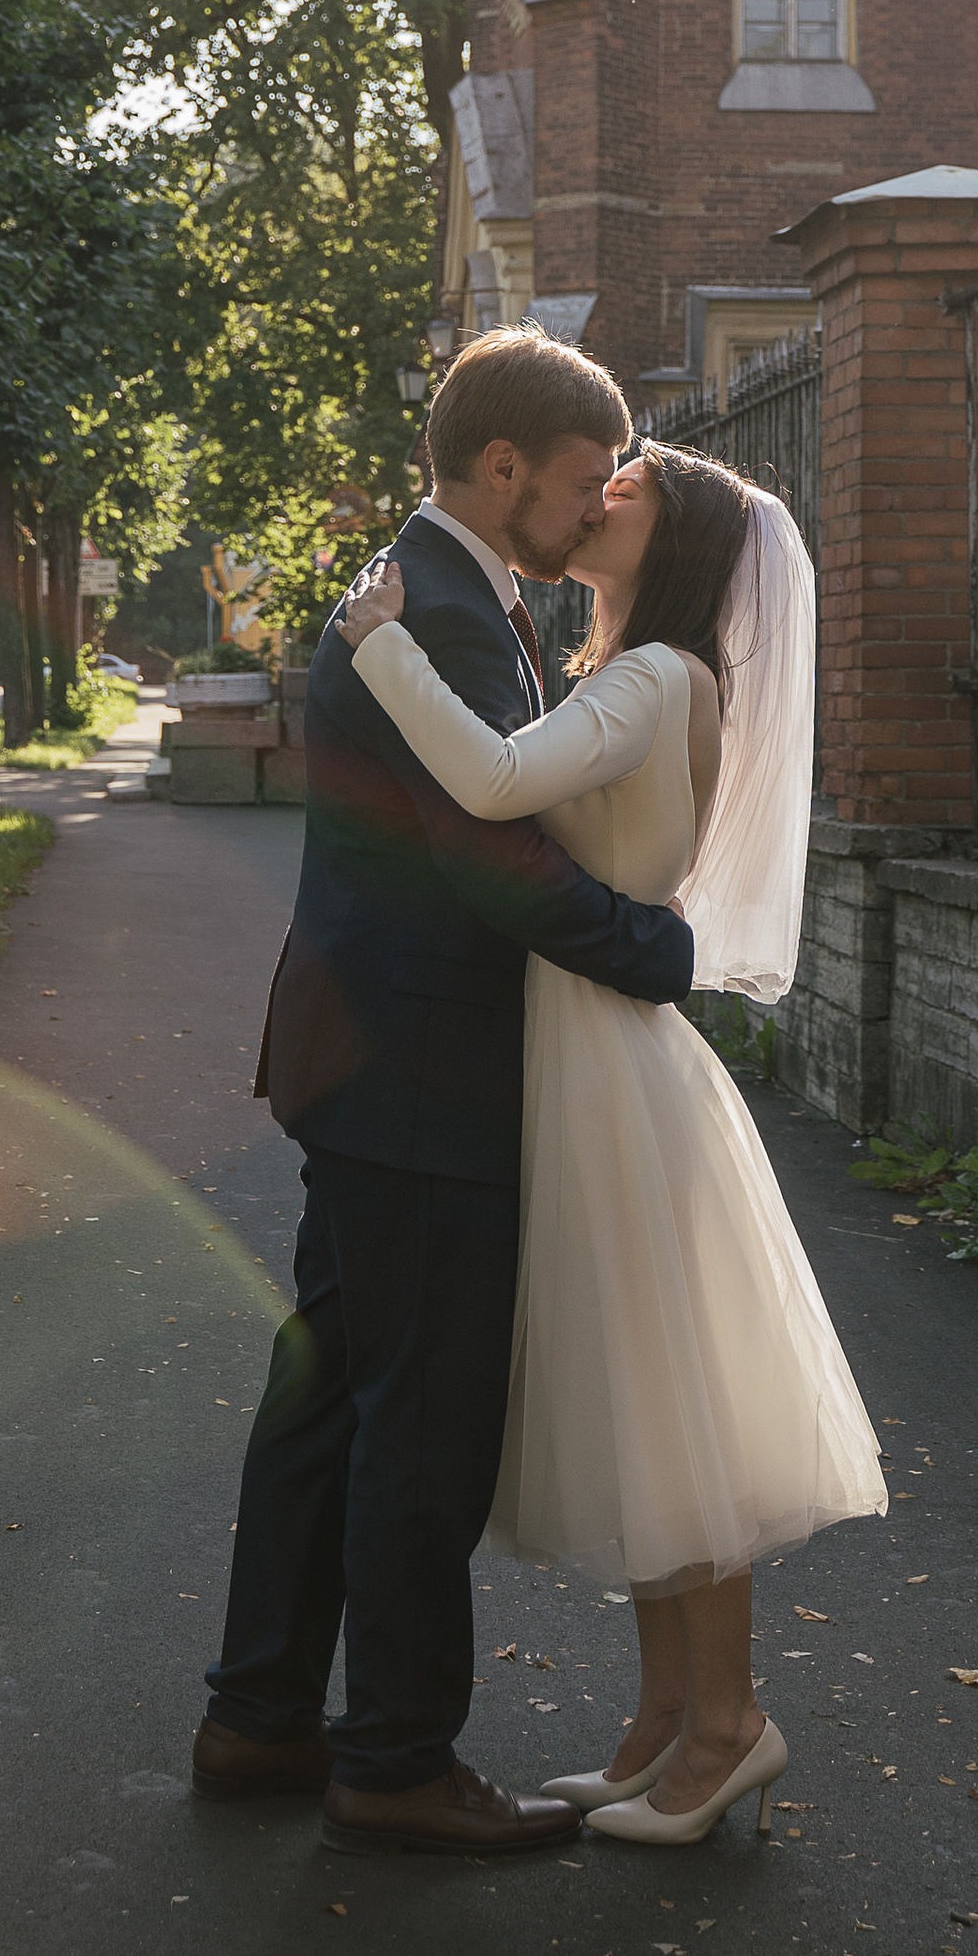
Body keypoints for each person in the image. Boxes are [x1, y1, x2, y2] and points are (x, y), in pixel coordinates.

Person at [333, 433, 884, 1845]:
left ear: (677, 544)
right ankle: (655, 1727)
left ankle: (724, 1729)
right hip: (581, 1059)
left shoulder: (651, 679)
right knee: (650, 1418)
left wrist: (384, 648)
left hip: (616, 1075)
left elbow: (497, 783)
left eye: (623, 493)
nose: (600, 498)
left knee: (682, 1422)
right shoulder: (624, 674)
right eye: (601, 481)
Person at [195, 325, 691, 1857]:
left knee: (333, 1392)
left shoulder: (436, 591)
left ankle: (262, 1718)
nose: (598, 505)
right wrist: (657, 950)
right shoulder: (450, 614)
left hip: (370, 1061)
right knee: (421, 1421)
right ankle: (394, 1758)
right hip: (425, 1075)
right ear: (501, 469)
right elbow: (495, 864)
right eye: (581, 478)